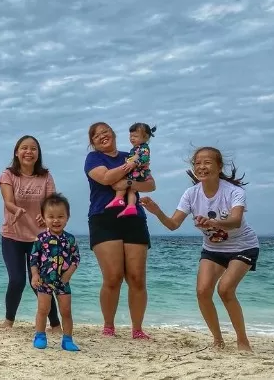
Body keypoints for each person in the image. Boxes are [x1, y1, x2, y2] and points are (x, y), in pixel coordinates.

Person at [140, 147, 258, 351]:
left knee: (225, 289)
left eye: (207, 162)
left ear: (219, 166)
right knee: (203, 292)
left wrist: (213, 223)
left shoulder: (233, 192)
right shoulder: (191, 194)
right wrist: (157, 211)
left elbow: (236, 221)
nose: (201, 167)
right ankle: (218, 341)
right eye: (197, 163)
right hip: (213, 248)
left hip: (243, 246)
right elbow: (173, 225)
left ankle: (242, 340)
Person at [84, 122, 156, 339]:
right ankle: (108, 326)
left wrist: (126, 183)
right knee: (113, 277)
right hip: (103, 218)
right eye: (96, 135)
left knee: (136, 277)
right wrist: (128, 171)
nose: (102, 136)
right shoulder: (94, 159)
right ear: (93, 143)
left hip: (134, 217)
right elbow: (106, 178)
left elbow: (150, 184)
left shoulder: (133, 154)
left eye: (106, 131)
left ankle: (137, 329)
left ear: (114, 134)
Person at [0, 135, 61, 330]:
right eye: (24, 148)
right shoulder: (8, 175)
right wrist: (16, 210)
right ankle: (9, 321)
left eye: (33, 148)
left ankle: (55, 324)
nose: (29, 152)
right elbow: (8, 201)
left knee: (41, 282)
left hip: (39, 239)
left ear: (38, 153)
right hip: (12, 235)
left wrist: (46, 216)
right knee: (17, 280)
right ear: (17, 152)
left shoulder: (46, 176)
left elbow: (51, 203)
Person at [29, 193, 81, 351]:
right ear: (44, 218)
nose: (56, 220)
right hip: (44, 280)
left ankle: (67, 339)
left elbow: (76, 259)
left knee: (66, 311)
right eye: (51, 216)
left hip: (63, 282)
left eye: (60, 216)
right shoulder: (41, 238)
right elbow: (33, 259)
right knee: (43, 310)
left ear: (67, 217)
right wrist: (35, 275)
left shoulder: (70, 239)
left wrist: (68, 274)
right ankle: (40, 335)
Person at [106, 123, 156, 218]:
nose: (132, 138)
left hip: (139, 172)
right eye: (131, 136)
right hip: (139, 172)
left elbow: (145, 158)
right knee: (131, 191)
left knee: (123, 181)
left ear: (145, 137)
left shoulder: (144, 147)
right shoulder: (135, 148)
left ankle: (119, 198)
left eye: (135, 136)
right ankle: (131, 206)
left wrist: (134, 163)